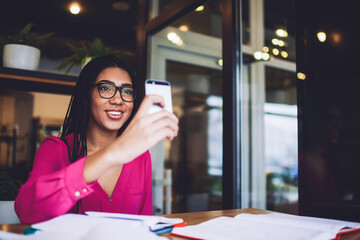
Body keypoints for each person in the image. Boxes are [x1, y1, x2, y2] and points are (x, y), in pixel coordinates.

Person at [14, 55, 179, 224]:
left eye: (127, 91)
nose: (118, 100)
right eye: (105, 88)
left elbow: (145, 224)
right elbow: (27, 211)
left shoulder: (141, 157)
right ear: (86, 97)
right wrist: (114, 153)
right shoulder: (56, 148)